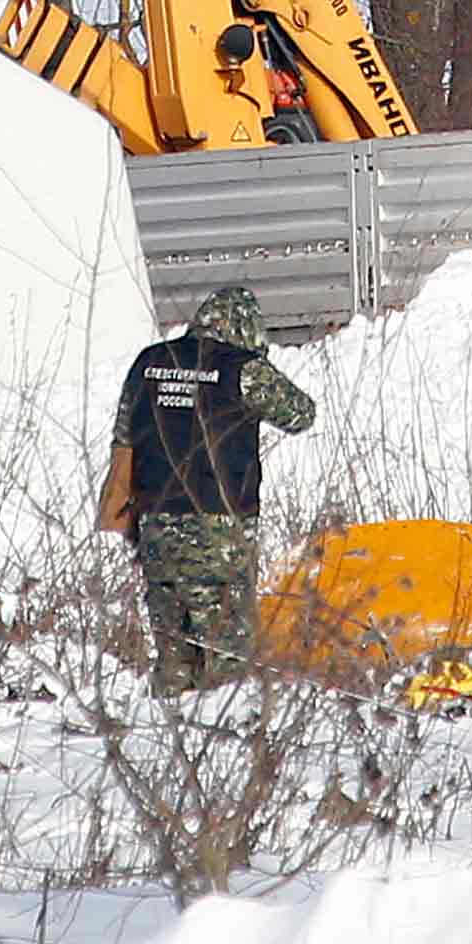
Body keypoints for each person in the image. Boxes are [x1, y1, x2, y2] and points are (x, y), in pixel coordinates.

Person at [105, 287, 315, 696]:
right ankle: (220, 746)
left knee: (172, 657)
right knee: (227, 661)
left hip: (156, 529)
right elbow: (300, 414)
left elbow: (122, 438)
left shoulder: (149, 363)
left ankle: (169, 743)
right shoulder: (243, 369)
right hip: (220, 531)